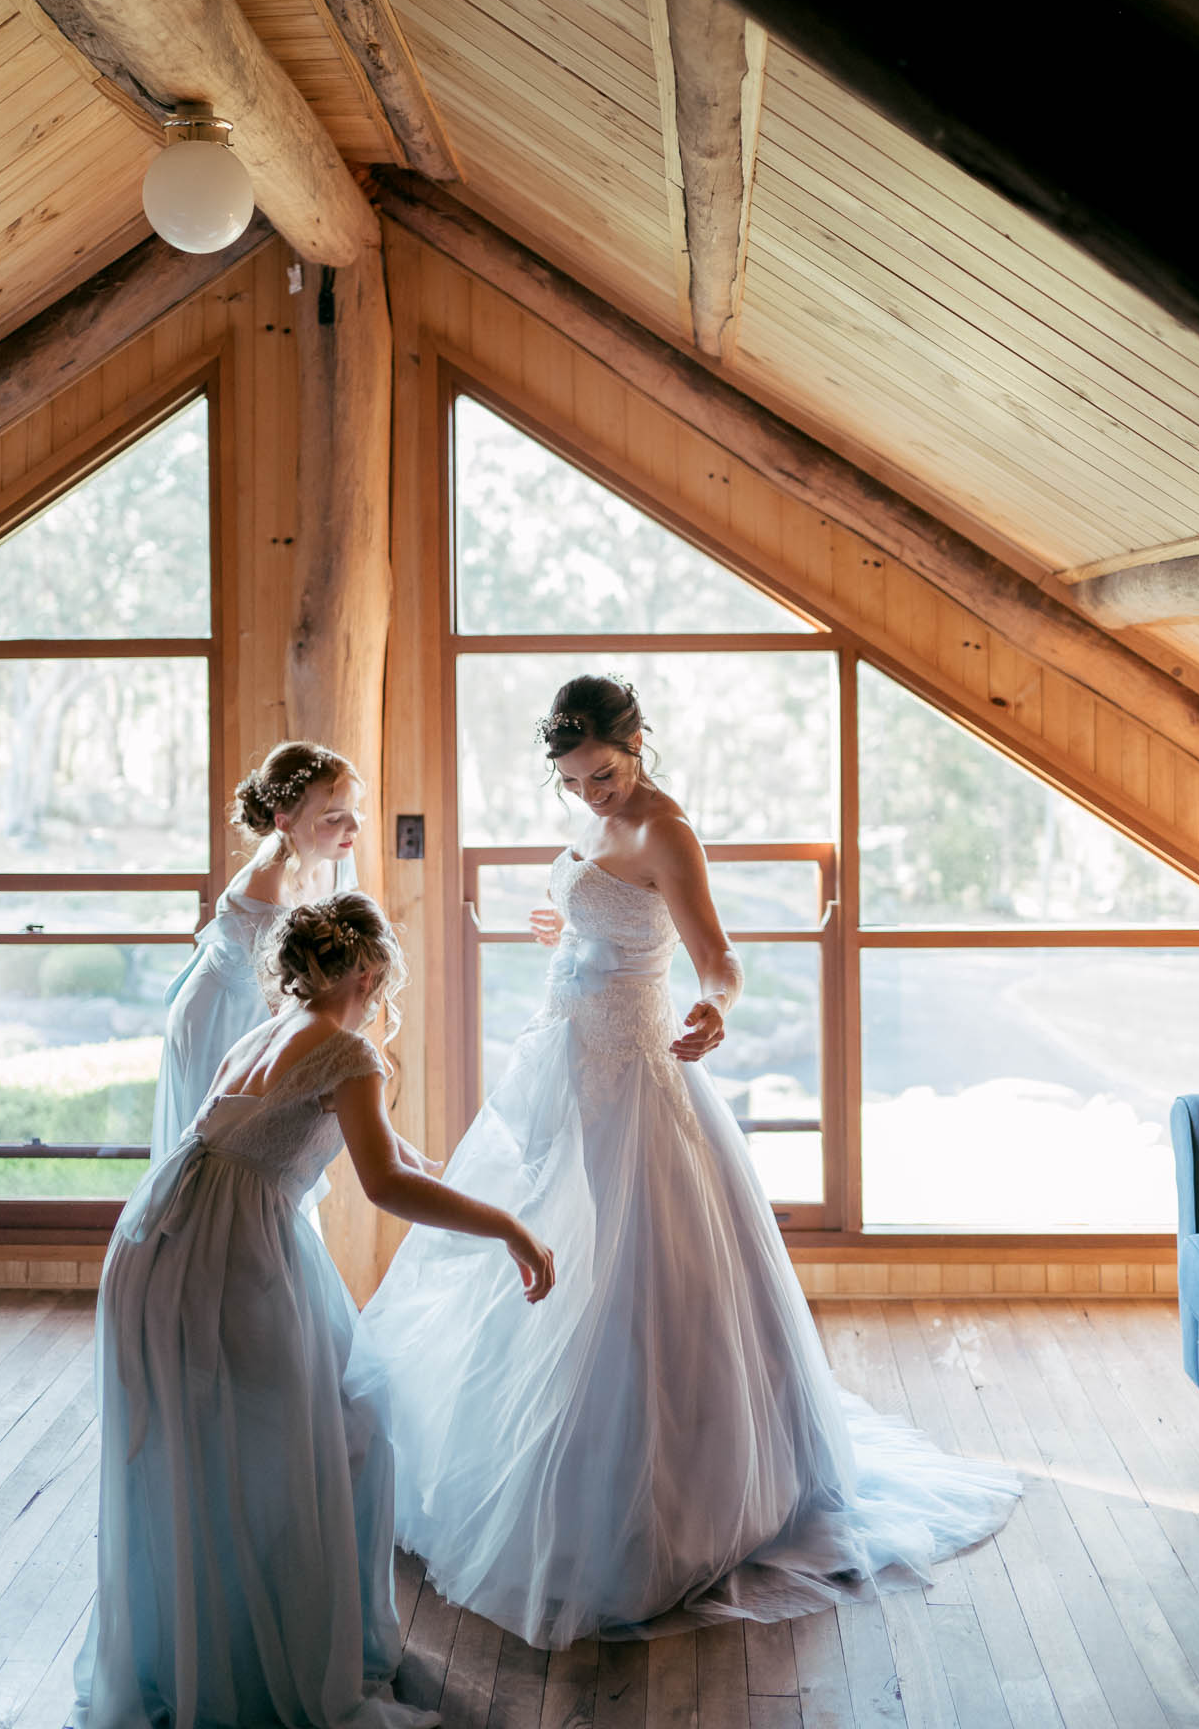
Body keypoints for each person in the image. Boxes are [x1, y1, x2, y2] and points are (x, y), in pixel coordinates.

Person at [352, 673, 1019, 1651]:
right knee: (532, 1250)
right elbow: (598, 904)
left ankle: (653, 1503)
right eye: (574, 782)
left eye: (605, 773)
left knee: (627, 1269)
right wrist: (566, 923)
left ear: (637, 743)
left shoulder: (666, 826)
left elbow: (718, 954)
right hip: (558, 1059)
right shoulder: (591, 814)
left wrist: (714, 1005)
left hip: (633, 1068)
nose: (592, 796)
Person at [74, 891, 555, 1729]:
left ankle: (220, 1648)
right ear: (369, 971)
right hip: (227, 1256)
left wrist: (479, 1186)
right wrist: (508, 1230)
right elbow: (388, 1184)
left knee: (222, 1446)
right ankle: (278, 1658)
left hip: (158, 1241)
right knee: (327, 1436)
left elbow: (398, 1154)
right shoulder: (347, 1054)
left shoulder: (271, 1031)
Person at [150, 740, 363, 1176]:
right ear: (284, 822)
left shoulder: (336, 857)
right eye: (333, 817)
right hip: (224, 1016)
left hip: (276, 1005)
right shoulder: (264, 891)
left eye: (355, 810)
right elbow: (286, 996)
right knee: (230, 1156)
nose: (353, 826)